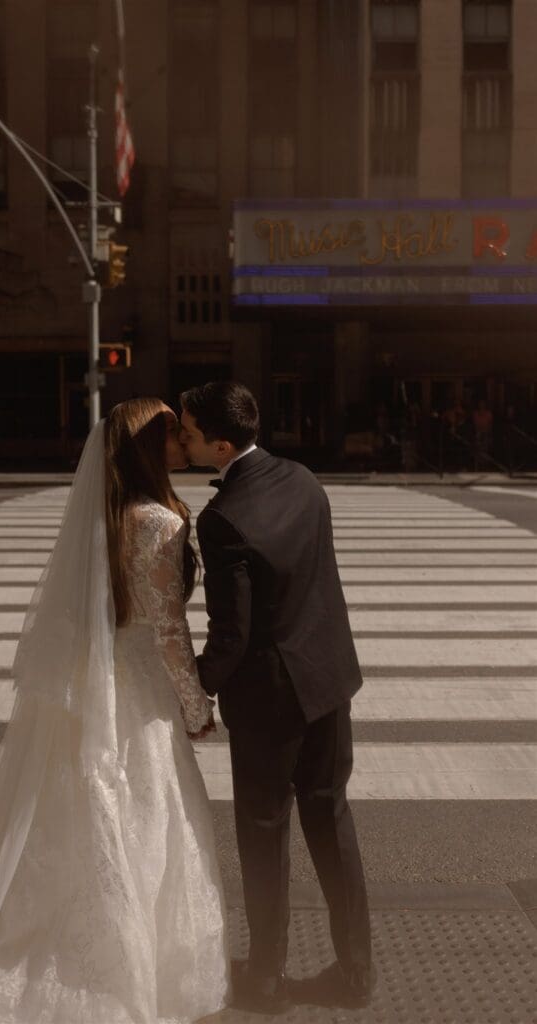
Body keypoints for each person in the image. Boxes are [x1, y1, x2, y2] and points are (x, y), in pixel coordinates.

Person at [0, 398, 230, 1024]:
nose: (182, 440)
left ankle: (85, 934)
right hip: (141, 687)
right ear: (150, 448)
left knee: (94, 809)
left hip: (96, 681)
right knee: (146, 811)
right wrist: (197, 706)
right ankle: (134, 963)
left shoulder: (109, 515)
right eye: (173, 432)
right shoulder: (159, 520)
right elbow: (169, 629)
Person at [180, 381, 374, 1015]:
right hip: (328, 681)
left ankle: (266, 977)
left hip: (269, 701)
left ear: (221, 445)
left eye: (189, 433)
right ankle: (357, 973)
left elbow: (231, 635)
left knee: (264, 835)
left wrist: (192, 686)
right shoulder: (303, 479)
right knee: (332, 822)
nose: (182, 441)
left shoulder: (222, 518)